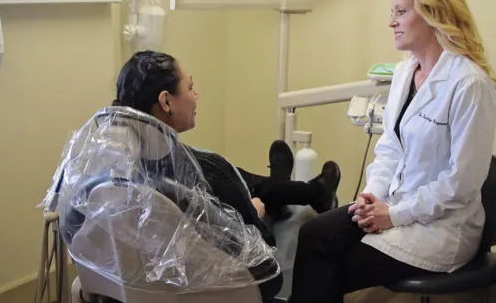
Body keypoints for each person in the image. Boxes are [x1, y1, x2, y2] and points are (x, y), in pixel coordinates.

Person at [245, 0, 496, 303]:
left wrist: (393, 214)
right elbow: (389, 151)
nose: (392, 22)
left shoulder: (469, 86)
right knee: (314, 235)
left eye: (401, 12)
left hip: (442, 227)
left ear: (435, 14)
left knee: (323, 273)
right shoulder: (405, 73)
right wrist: (371, 197)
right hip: (393, 207)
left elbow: (461, 186)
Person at [111, 50, 343, 240]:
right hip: (235, 274)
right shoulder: (205, 169)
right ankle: (307, 189)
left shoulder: (118, 166)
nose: (196, 95)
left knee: (246, 180)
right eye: (190, 87)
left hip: (143, 283)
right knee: (257, 191)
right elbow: (251, 242)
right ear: (166, 100)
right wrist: (253, 212)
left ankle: (285, 179)